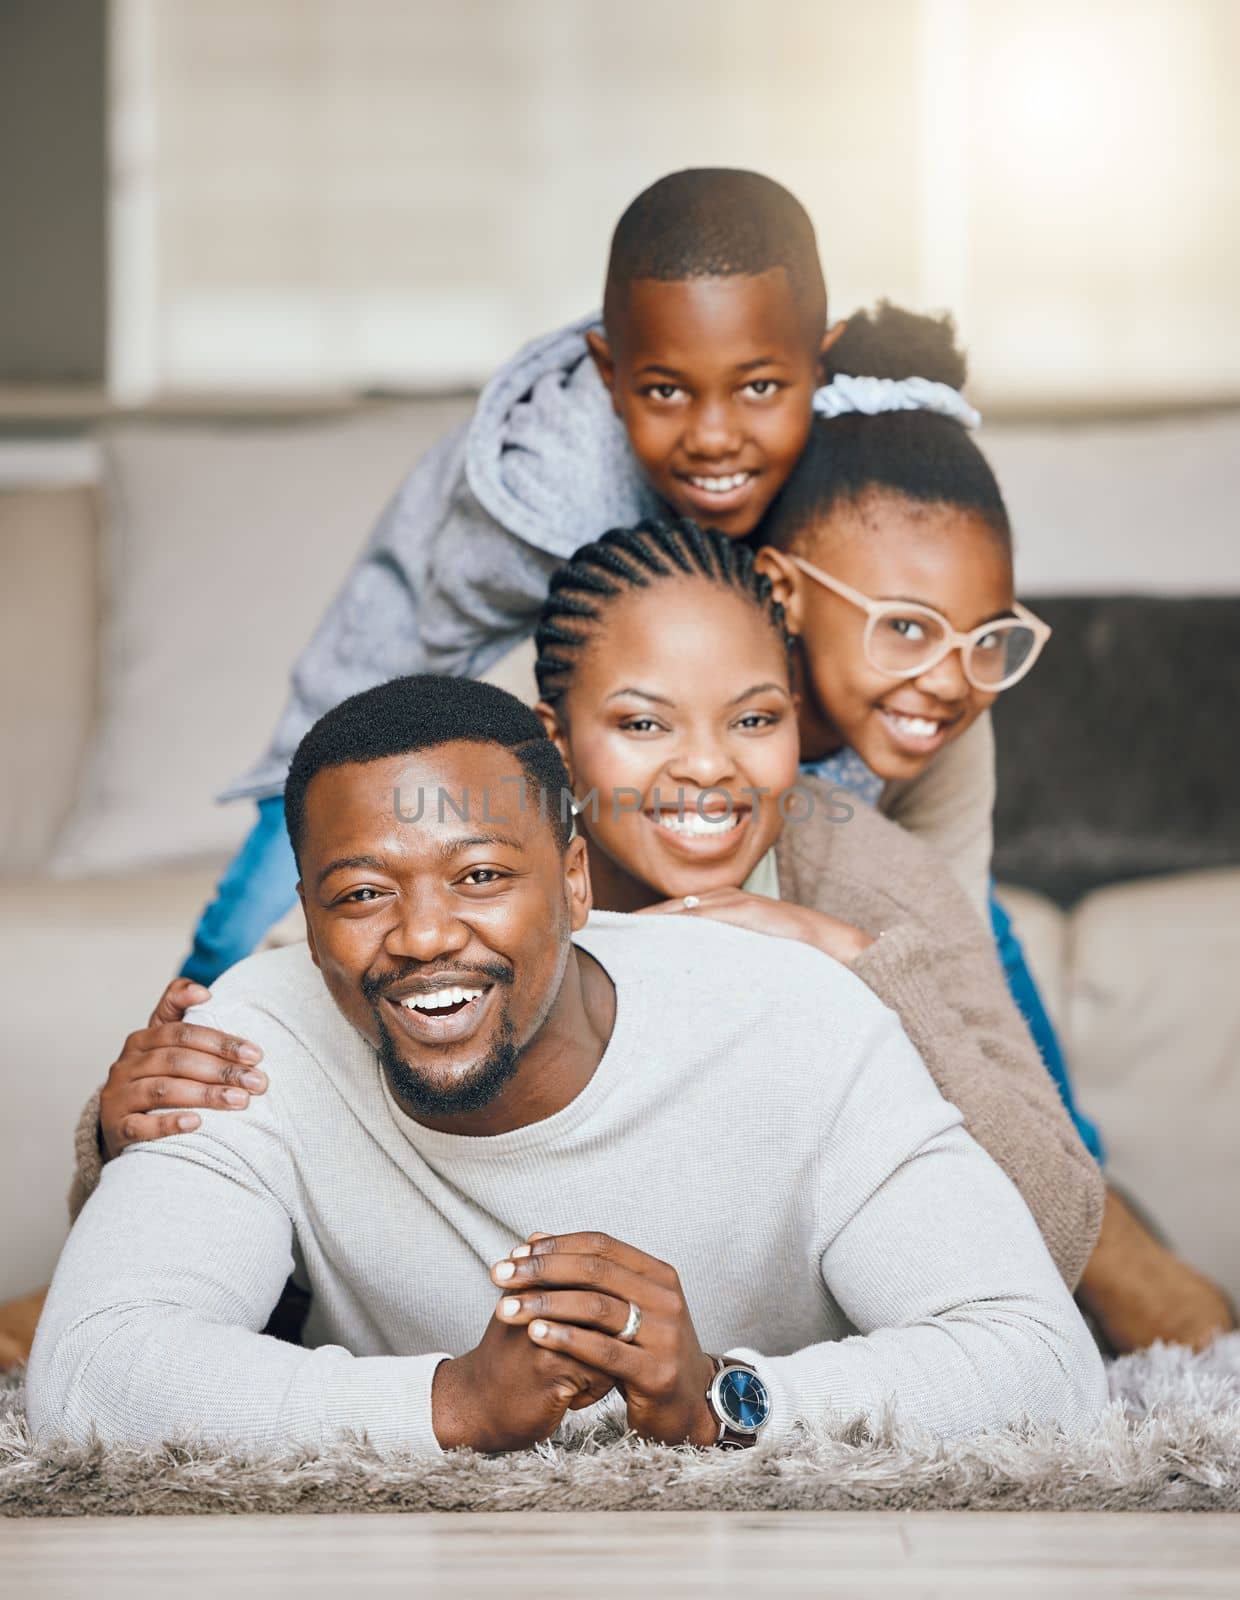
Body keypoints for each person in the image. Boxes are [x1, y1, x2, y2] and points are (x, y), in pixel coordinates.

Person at [29, 675, 1107, 1453]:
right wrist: (449, 1405)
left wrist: (721, 1397)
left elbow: (1040, 1362)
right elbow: (89, 1367)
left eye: (483, 874)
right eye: (360, 893)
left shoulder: (793, 1018)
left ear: (577, 883)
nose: (420, 935)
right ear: (307, 920)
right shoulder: (249, 1039)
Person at [67, 522, 1102, 1289]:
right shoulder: (430, 900)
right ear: (552, 739)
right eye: (644, 724)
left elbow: (1056, 1237)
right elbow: (211, 1205)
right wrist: (121, 1134)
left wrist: (848, 954)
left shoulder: (867, 879)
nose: (708, 769)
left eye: (755, 717)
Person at [183, 168, 994, 984]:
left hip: (662, 731)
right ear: (611, 376)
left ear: (815, 364)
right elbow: (465, 695)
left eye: (757, 387)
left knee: (962, 941)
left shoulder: (832, 463)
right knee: (247, 942)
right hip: (408, 680)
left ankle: (1066, 1113)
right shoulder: (550, 496)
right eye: (668, 390)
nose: (716, 437)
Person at [750, 306, 1237, 1353]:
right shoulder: (701, 691)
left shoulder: (951, 719)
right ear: (782, 593)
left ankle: (1118, 1266)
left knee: (1015, 1050)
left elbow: (947, 950)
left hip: (901, 935)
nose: (950, 679)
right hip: (755, 948)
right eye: (906, 628)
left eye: (990, 639)